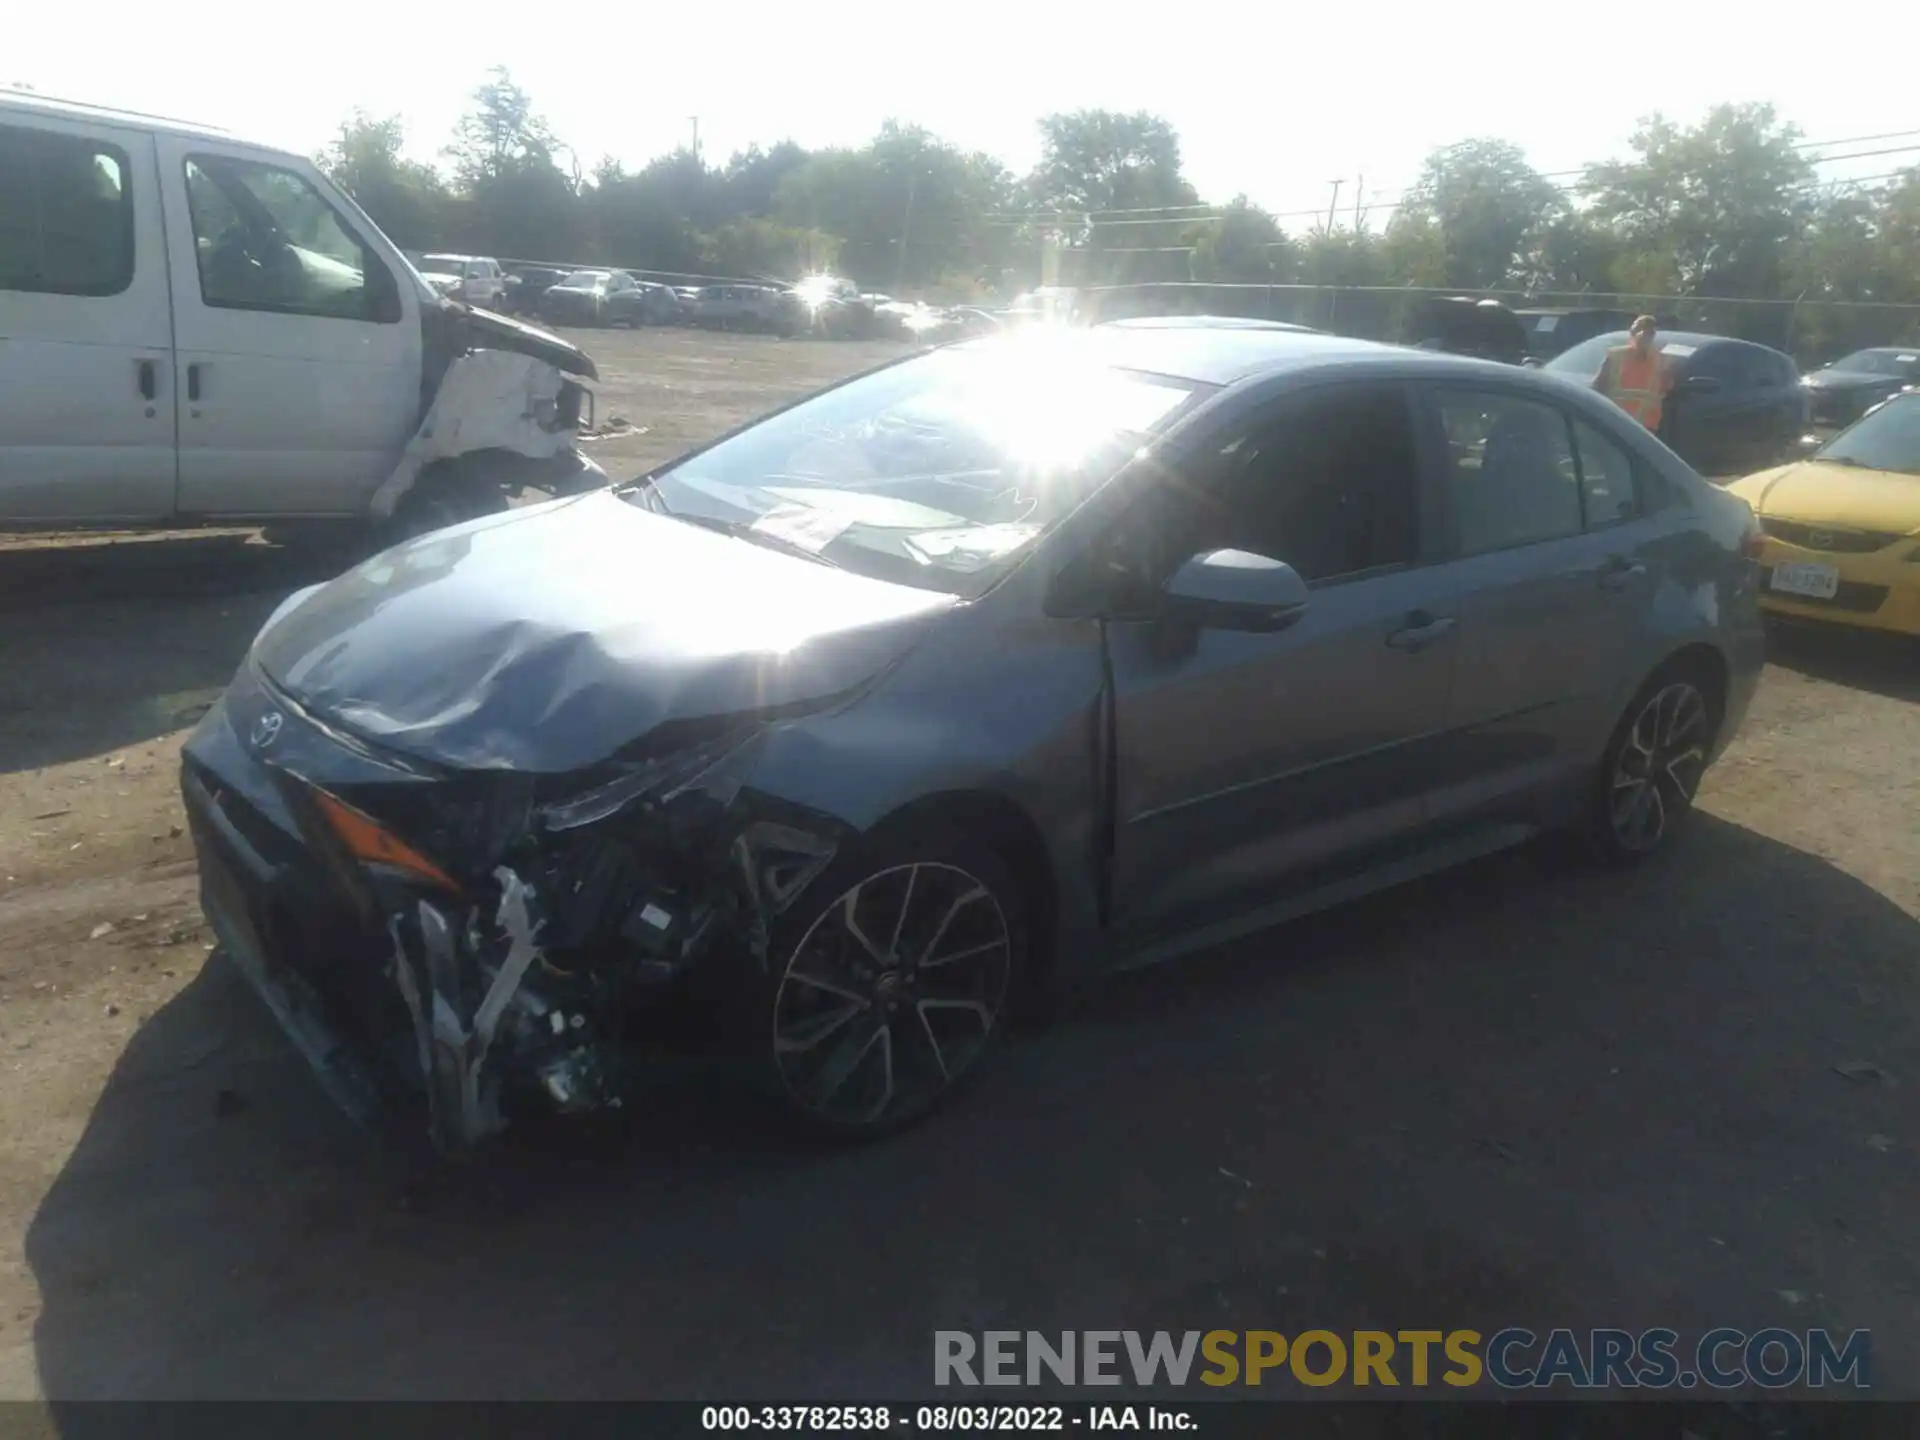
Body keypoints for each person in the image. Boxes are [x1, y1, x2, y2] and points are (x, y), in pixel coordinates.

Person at [1593, 315, 1676, 431]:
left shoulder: (1662, 362)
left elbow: (1596, 388)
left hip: (1623, 425)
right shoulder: (1662, 361)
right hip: (1633, 428)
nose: (1642, 336)